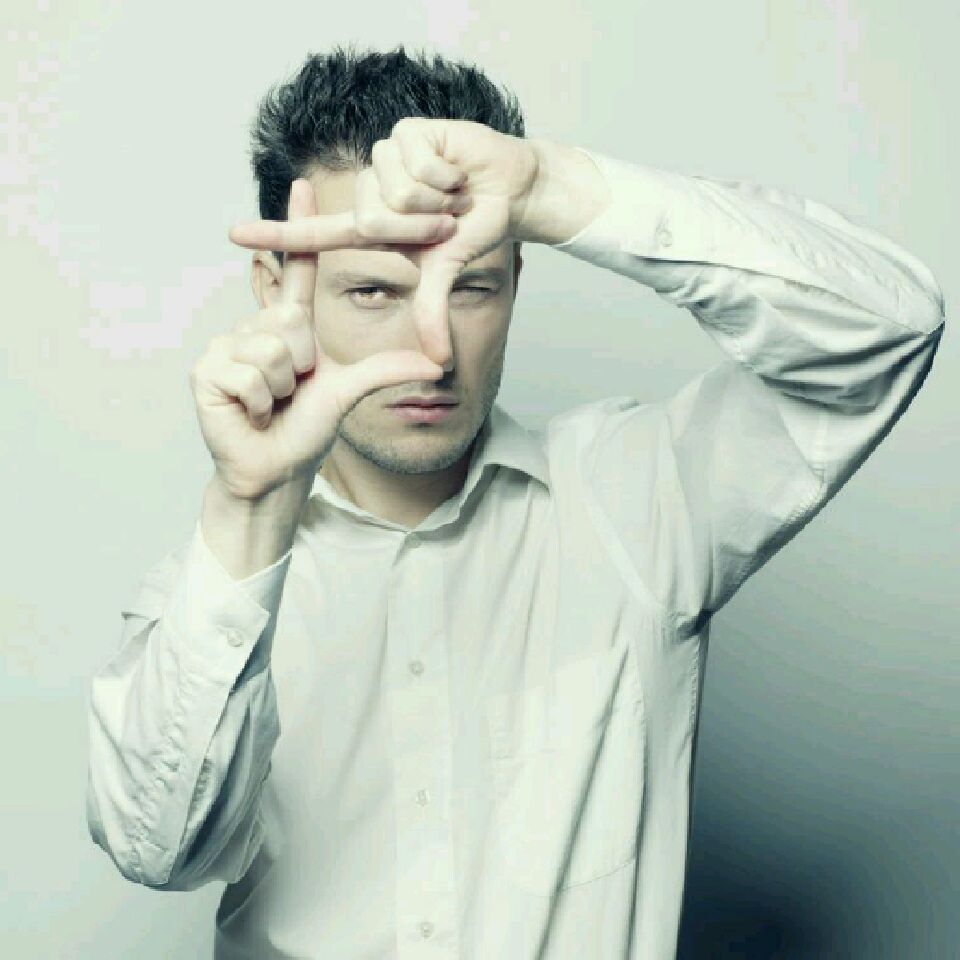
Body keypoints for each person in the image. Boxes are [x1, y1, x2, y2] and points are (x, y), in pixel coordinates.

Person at [84, 43, 945, 960]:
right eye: (373, 290)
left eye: (473, 286)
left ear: (519, 276)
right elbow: (154, 849)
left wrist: (552, 188)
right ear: (276, 286)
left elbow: (889, 330)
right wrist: (253, 505)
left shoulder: (640, 497)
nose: (433, 347)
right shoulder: (220, 586)